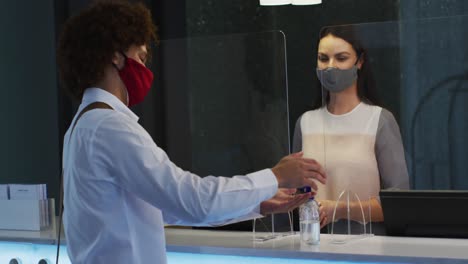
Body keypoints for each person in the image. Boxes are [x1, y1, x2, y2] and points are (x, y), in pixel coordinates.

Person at [57, 1, 326, 263]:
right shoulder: (110, 127)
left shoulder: (83, 126)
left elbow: (160, 208)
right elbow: (191, 199)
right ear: (114, 56)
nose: (145, 68)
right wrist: (275, 176)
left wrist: (256, 204)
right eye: (140, 57)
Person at [292, 26, 409, 234]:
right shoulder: (305, 123)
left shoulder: (379, 120)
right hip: (313, 245)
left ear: (360, 61)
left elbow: (398, 204)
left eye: (341, 58)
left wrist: (339, 209)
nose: (331, 66)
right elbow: (294, 193)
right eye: (323, 58)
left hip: (368, 246)